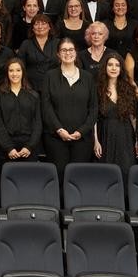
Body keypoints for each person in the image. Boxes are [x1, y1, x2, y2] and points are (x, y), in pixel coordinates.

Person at [42, 38, 98, 178]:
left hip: (82, 139)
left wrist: (81, 131)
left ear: (76, 52)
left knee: (79, 177)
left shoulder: (87, 77)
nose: (68, 53)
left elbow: (93, 108)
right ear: (58, 54)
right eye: (64, 50)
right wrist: (59, 130)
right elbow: (46, 106)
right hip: (56, 138)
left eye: (71, 50)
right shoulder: (50, 76)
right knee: (59, 176)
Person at [93, 53, 138, 176]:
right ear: (105, 67)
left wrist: (137, 140)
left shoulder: (128, 88)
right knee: (105, 171)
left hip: (125, 134)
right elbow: (94, 118)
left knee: (126, 169)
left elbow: (133, 117)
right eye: (110, 65)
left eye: (117, 65)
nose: (113, 68)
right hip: (105, 132)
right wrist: (96, 141)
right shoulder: (97, 88)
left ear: (121, 69)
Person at [0, 58, 42, 162]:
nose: (15, 74)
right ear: (7, 73)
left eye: (18, 70)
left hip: (29, 148)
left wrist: (29, 146)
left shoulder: (34, 96)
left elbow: (38, 123)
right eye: (11, 70)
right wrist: (9, 148)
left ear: (23, 72)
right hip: (6, 149)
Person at [17, 14, 59, 92]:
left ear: (49, 27)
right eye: (36, 24)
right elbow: (20, 66)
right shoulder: (26, 44)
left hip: (54, 85)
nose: (40, 27)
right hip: (31, 87)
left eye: (43, 23)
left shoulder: (58, 43)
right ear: (32, 28)